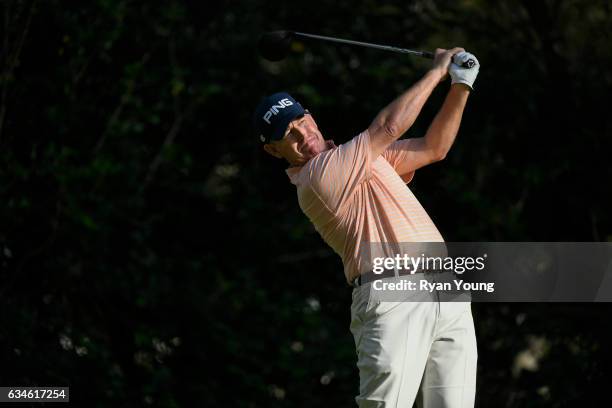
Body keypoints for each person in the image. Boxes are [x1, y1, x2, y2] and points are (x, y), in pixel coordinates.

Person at [253, 48, 480, 408]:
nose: (302, 134)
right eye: (288, 134)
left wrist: (461, 84)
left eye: (301, 122)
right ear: (274, 151)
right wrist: (438, 71)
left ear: (310, 116)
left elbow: (434, 147)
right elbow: (389, 126)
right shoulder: (316, 179)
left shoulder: (365, 157)